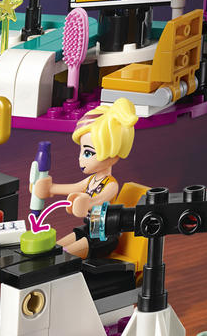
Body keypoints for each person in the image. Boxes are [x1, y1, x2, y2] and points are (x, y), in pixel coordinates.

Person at [32, 99, 138, 261]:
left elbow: (99, 200)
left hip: (104, 237)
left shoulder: (111, 185)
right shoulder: (91, 181)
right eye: (81, 151)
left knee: (63, 256)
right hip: (88, 230)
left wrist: (87, 203)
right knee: (54, 248)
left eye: (88, 153)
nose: (81, 159)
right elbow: (73, 187)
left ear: (113, 153)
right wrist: (49, 189)